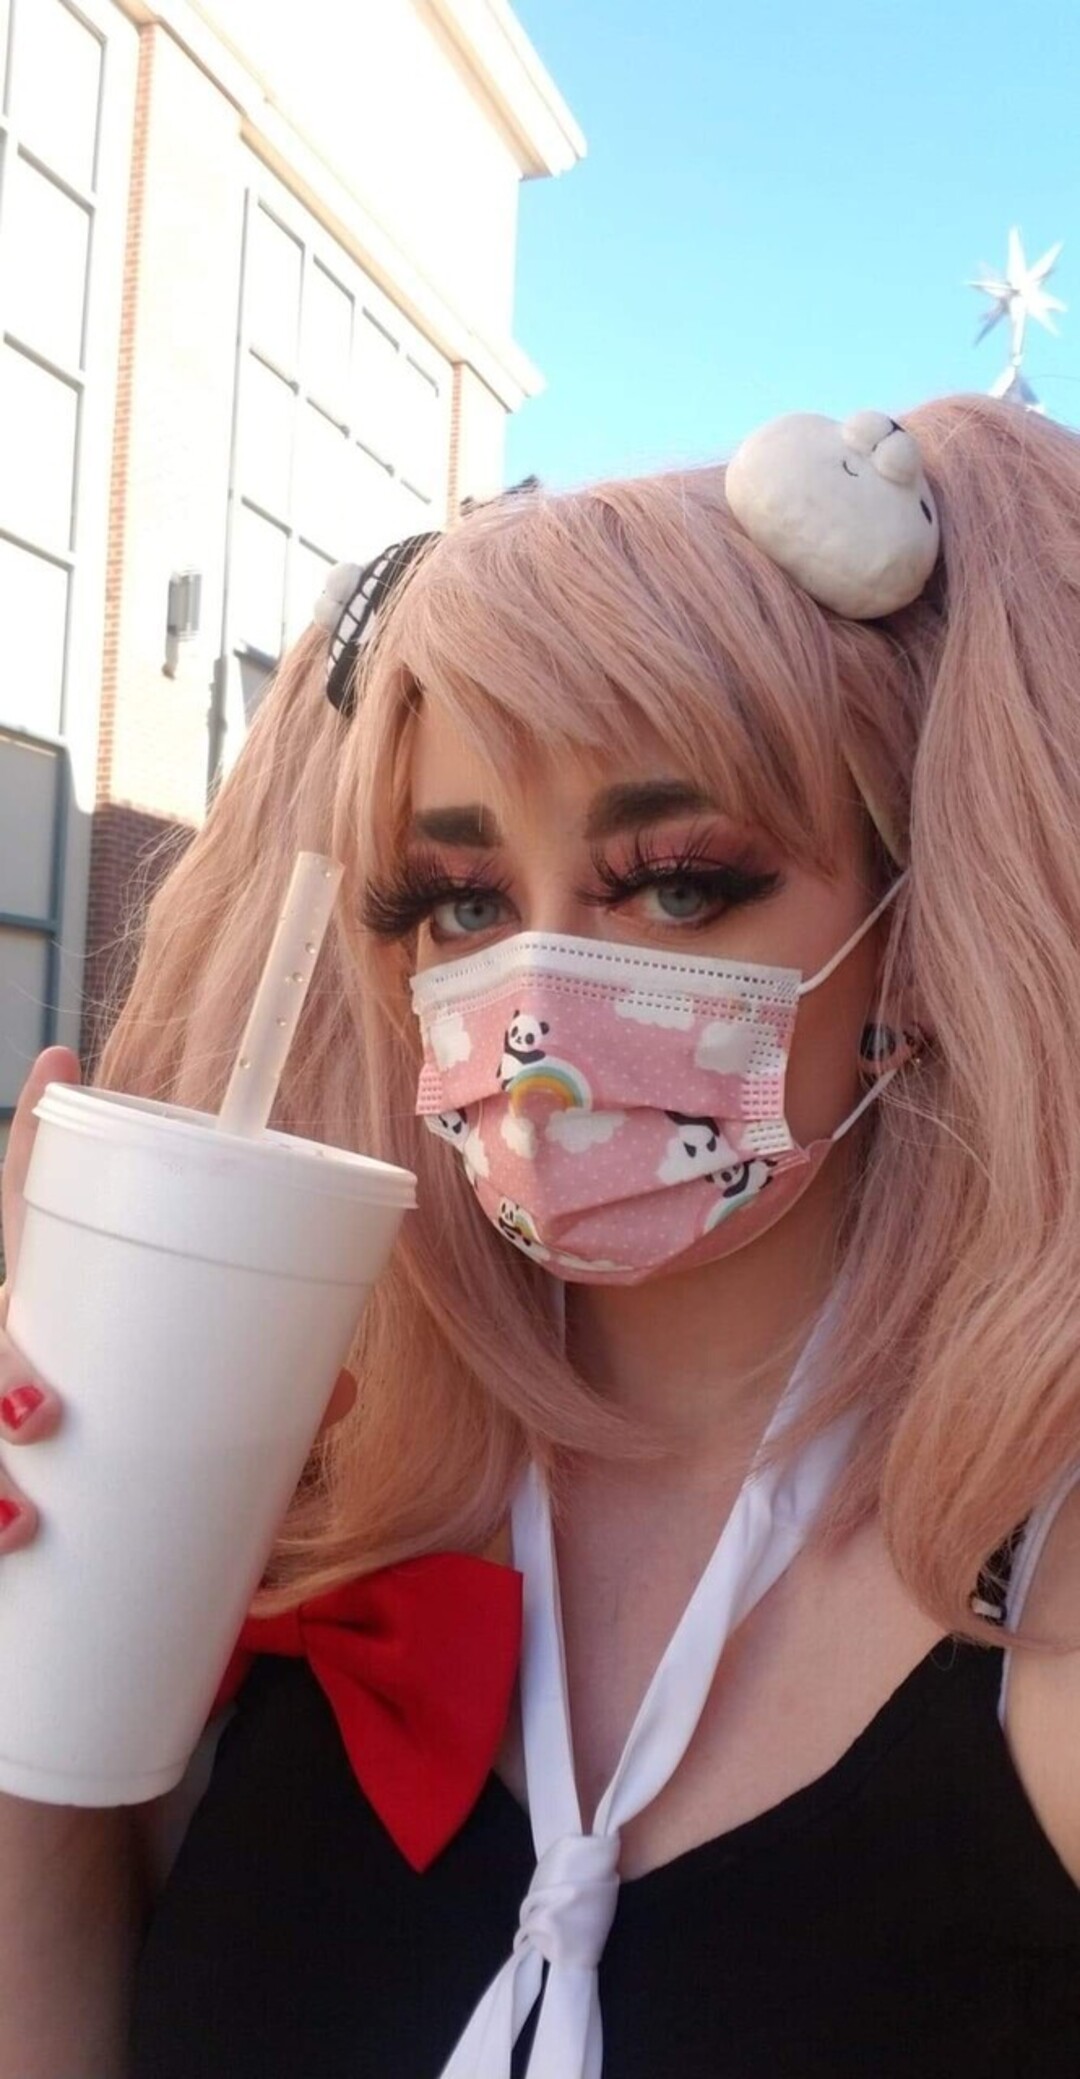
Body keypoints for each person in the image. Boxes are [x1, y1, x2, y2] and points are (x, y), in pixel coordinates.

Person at [3, 393, 1080, 2078]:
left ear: (917, 930)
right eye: (463, 902)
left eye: (676, 883)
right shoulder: (295, 1502)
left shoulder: (1040, 1575)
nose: (535, 1009)